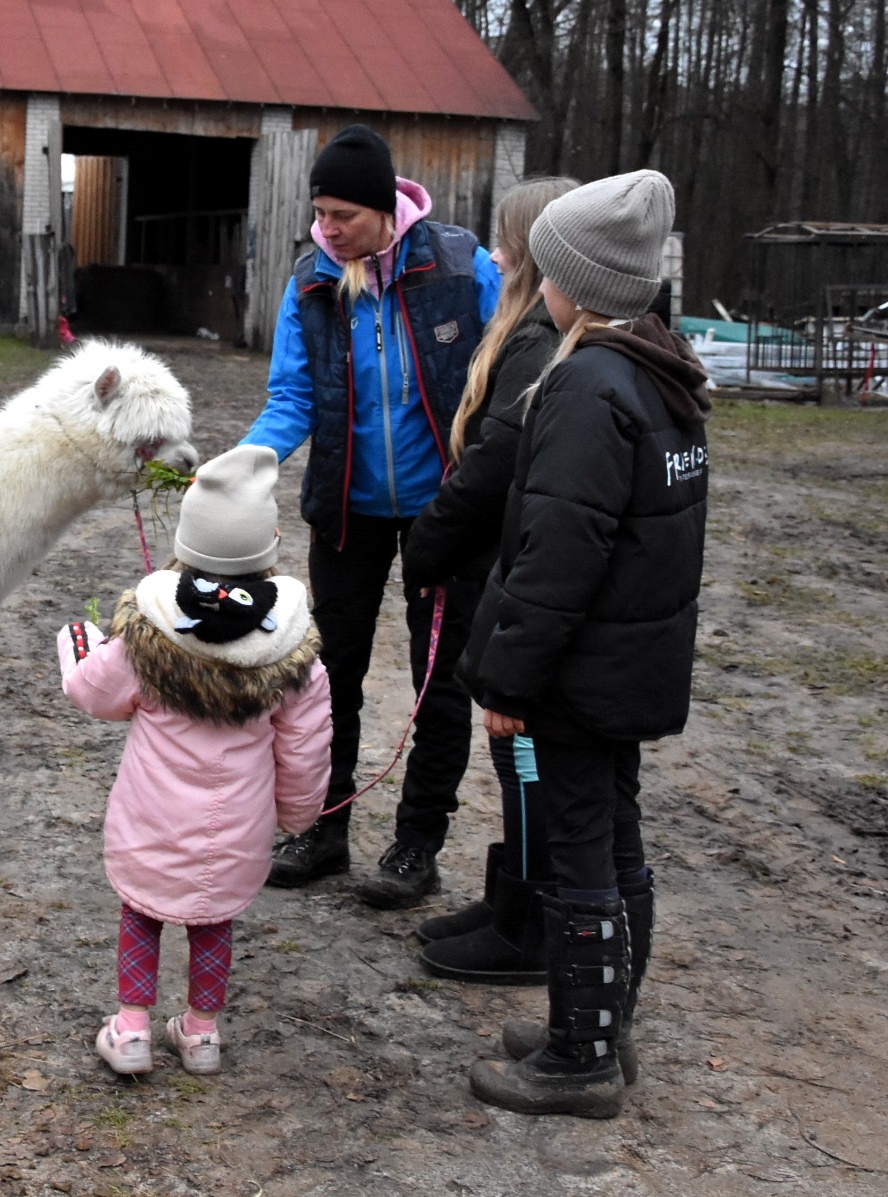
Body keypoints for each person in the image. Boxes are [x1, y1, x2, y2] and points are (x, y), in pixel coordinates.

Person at [455, 169, 710, 1118]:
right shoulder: (661, 369)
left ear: (577, 283)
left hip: (576, 672)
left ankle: (579, 1056)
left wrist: (508, 675)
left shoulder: (585, 386)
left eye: (547, 266)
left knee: (579, 853)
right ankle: (605, 1020)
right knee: (616, 835)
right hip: (628, 663)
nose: (535, 279)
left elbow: (557, 552)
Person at [239, 124, 501, 909]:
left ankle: (417, 844)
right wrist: (242, 466)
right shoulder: (311, 281)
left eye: (342, 215)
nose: (328, 229)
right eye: (320, 213)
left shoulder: (462, 266)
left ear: (385, 208)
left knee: (438, 679)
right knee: (330, 674)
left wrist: (489, 481)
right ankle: (325, 830)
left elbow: (504, 376)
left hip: (444, 513)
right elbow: (290, 397)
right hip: (346, 511)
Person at [56, 445, 331, 1076]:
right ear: (270, 544)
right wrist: (296, 814)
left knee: (142, 913)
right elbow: (306, 747)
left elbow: (94, 693)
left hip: (149, 822)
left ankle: (130, 1031)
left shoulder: (146, 636)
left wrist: (79, 642)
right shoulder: (294, 653)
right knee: (213, 922)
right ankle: (202, 1034)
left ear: (186, 539)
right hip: (234, 829)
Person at [402, 176, 580, 985]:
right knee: (515, 751)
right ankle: (512, 893)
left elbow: (492, 461)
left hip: (510, 566)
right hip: (496, 565)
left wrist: (429, 544)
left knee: (527, 749)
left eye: (506, 239)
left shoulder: (541, 344)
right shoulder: (525, 330)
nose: (492, 251)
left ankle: (530, 920)